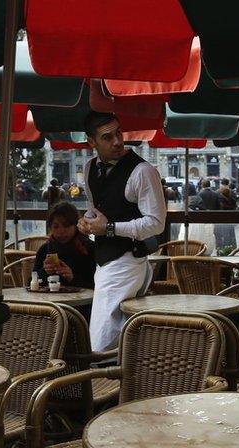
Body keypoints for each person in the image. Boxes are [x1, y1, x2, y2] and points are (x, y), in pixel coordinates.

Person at [77, 111, 166, 352]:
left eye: (118, 132)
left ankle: (99, 385)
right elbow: (95, 210)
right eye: (107, 137)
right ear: (91, 142)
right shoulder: (89, 168)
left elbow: (157, 223)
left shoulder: (143, 171)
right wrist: (85, 222)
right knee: (118, 337)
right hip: (104, 262)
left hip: (127, 262)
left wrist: (109, 228)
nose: (117, 141)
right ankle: (123, 383)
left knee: (100, 342)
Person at [33, 202, 96, 288]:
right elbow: (31, 283)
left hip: (82, 301)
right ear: (50, 228)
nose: (61, 231)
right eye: (56, 226)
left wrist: (72, 278)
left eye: (66, 226)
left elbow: (97, 286)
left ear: (76, 225)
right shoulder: (45, 249)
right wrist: (44, 271)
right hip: (48, 300)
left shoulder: (88, 249)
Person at [214, 184, 237, 249]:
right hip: (230, 220)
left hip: (221, 221)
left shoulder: (220, 201)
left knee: (221, 235)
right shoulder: (232, 200)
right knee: (230, 235)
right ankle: (231, 247)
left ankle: (221, 248)